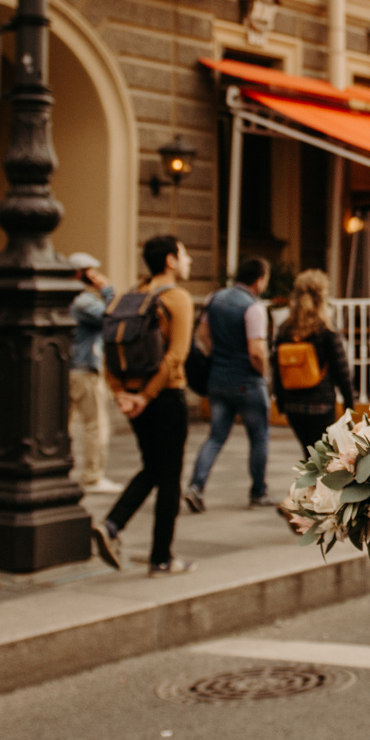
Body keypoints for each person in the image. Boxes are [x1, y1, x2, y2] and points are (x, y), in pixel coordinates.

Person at [93, 235, 198, 575]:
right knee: (170, 478)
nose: (189, 260)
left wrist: (122, 393)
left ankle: (111, 526)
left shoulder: (131, 296)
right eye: (184, 254)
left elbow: (108, 351)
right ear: (170, 259)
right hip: (164, 397)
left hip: (135, 399)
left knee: (153, 467)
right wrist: (146, 396)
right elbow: (176, 358)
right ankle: (161, 558)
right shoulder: (178, 298)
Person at [183, 256, 271, 509]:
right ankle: (258, 492)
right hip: (247, 382)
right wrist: (262, 375)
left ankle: (196, 486)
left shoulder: (214, 298)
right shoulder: (253, 307)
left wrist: (217, 358)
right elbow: (257, 351)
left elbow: (204, 336)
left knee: (216, 436)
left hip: (217, 380)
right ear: (259, 279)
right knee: (259, 436)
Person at [270, 268, 354, 457]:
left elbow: (278, 368)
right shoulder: (325, 328)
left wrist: (281, 401)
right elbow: (341, 369)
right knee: (324, 458)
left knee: (309, 455)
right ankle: (317, 487)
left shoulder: (286, 329)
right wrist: (349, 403)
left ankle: (309, 486)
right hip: (320, 404)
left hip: (293, 404)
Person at [66, 253, 118, 491]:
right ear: (80, 273)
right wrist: (106, 289)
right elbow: (113, 317)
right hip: (84, 369)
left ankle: (60, 470)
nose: (96, 276)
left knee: (62, 426)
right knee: (95, 425)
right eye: (91, 271)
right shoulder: (82, 301)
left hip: (67, 368)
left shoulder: (64, 297)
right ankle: (92, 476)